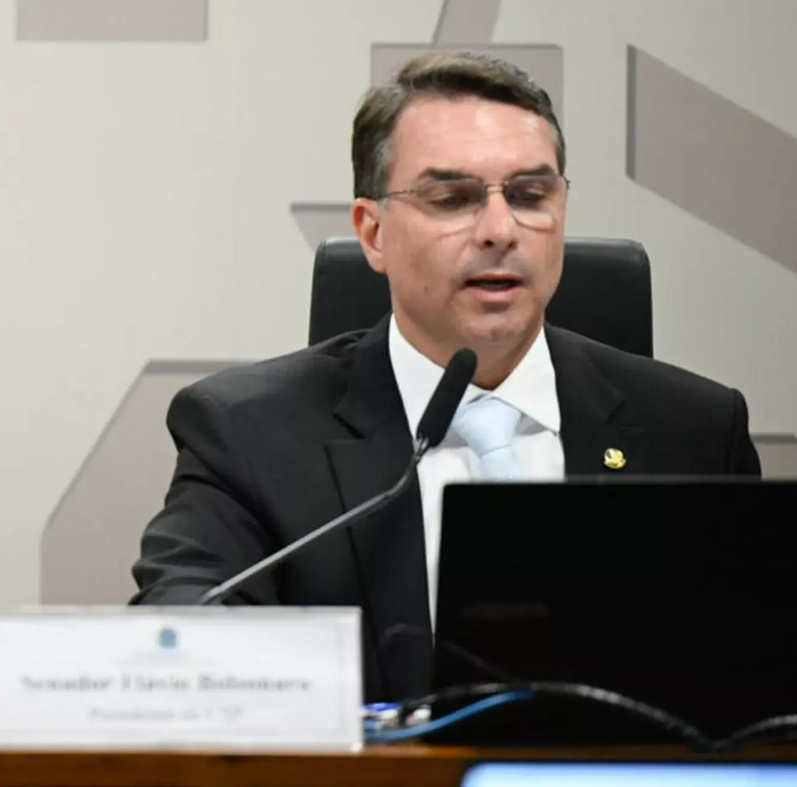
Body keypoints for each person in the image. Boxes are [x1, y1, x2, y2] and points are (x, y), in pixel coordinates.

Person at [130, 51, 761, 701]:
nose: (499, 230)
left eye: (529, 195)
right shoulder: (248, 434)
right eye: (452, 199)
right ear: (373, 233)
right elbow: (181, 629)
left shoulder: (695, 431)